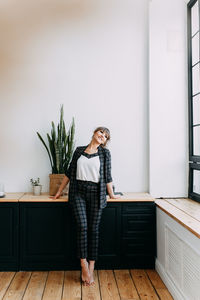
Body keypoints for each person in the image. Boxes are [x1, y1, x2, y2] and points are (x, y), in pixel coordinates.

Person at [53, 126, 119, 286]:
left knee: (94, 230)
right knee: (82, 227)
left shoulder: (105, 154)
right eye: (101, 132)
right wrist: (59, 191)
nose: (103, 136)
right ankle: (83, 265)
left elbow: (107, 176)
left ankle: (91, 265)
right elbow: (69, 173)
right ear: (94, 132)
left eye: (106, 136)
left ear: (105, 141)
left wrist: (111, 194)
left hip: (97, 193)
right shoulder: (79, 150)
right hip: (78, 193)